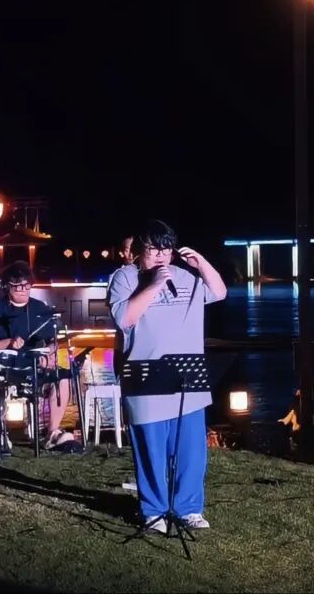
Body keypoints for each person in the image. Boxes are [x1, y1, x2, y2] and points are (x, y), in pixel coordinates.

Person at [107, 219, 227, 533]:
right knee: (151, 451)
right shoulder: (124, 278)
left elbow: (219, 292)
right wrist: (154, 285)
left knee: (191, 451)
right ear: (139, 250)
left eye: (166, 250)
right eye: (154, 249)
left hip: (187, 374)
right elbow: (125, 318)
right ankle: (154, 511)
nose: (161, 256)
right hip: (144, 375)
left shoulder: (186, 277)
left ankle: (189, 508)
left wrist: (201, 264)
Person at [0, 261, 75, 451]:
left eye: (27, 285)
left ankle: (53, 432)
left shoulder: (40, 308)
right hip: (4, 367)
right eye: (18, 286)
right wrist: (8, 343)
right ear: (7, 286)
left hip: (34, 366)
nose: (23, 290)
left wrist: (49, 354)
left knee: (61, 378)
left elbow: (53, 341)